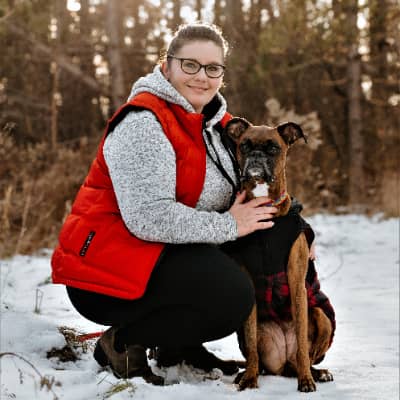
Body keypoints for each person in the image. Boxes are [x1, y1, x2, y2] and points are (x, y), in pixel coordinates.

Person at [51, 22, 278, 384]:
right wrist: (229, 225)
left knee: (231, 274)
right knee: (231, 294)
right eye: (190, 65)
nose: (202, 76)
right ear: (166, 65)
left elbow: (257, 183)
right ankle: (122, 342)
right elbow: (149, 217)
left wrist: (296, 230)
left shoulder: (221, 127)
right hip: (105, 269)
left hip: (159, 257)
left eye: (213, 68)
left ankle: (178, 346)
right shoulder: (143, 122)